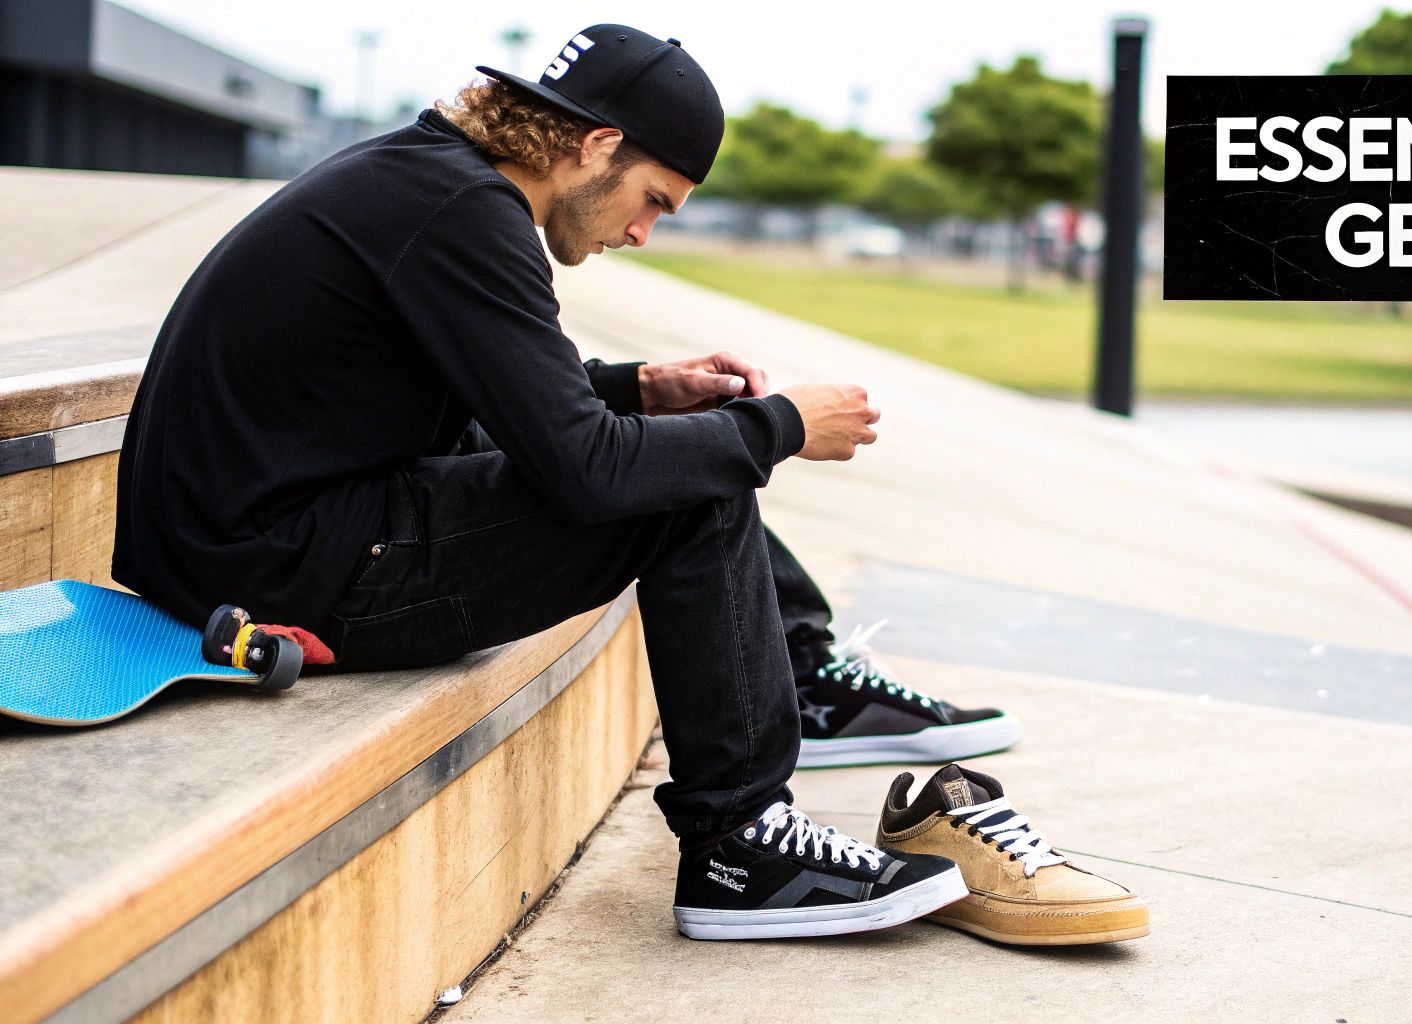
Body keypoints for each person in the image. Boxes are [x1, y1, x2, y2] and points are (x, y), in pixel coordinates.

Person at [110, 23, 1021, 940]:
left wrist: (639, 388)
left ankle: (800, 671)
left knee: (669, 444)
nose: (641, 231)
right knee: (687, 483)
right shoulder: (462, 212)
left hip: (246, 544)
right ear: (596, 146)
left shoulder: (427, 177)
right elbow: (586, 473)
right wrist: (781, 426)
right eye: (653, 200)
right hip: (283, 572)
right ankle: (739, 841)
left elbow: (512, 403)